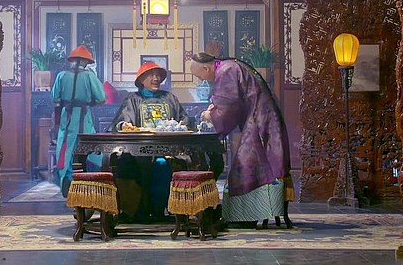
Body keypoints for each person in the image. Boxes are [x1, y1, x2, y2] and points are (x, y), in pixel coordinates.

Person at [190, 52, 293, 227]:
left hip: (259, 121)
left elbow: (228, 106)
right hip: (263, 118)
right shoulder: (230, 66)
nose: (203, 81)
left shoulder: (226, 71)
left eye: (200, 76)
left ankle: (244, 216)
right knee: (257, 165)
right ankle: (250, 213)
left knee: (245, 168)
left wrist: (210, 115)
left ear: (206, 68)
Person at [107, 61, 191, 221]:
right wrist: (124, 125)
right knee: (125, 163)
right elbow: (122, 122)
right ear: (141, 80)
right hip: (138, 150)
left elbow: (184, 121)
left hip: (168, 150)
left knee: (162, 164)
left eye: (158, 75)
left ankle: (159, 210)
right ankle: (135, 211)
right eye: (152, 75)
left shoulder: (169, 98)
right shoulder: (133, 99)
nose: (156, 78)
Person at [52, 45, 105, 197]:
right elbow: (101, 98)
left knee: (64, 148)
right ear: (85, 62)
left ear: (73, 60)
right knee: (91, 147)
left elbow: (55, 98)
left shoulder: (61, 75)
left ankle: (66, 179)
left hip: (67, 117)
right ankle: (91, 181)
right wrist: (90, 102)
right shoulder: (89, 76)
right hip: (84, 116)